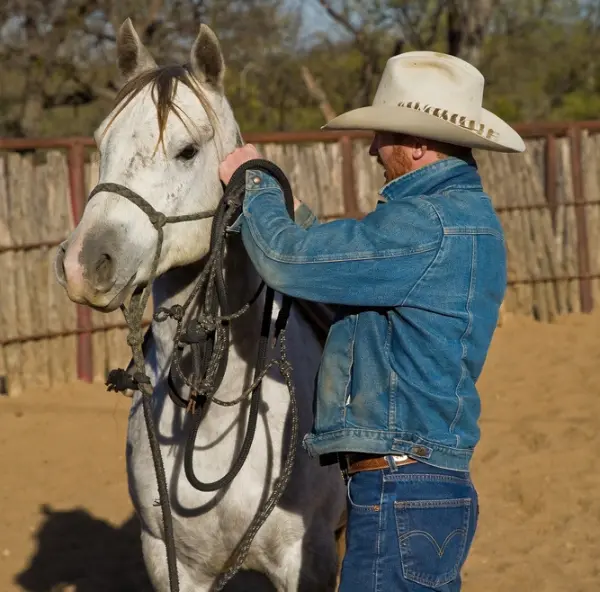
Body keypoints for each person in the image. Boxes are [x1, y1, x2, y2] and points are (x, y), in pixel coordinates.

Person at [219, 51, 525, 592]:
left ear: (416, 146)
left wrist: (255, 182)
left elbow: (286, 262)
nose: (371, 149)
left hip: (402, 488)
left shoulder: (424, 224)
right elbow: (347, 264)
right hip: (424, 486)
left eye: (382, 136)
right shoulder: (461, 220)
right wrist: (294, 217)